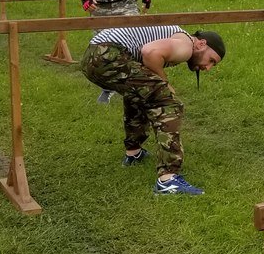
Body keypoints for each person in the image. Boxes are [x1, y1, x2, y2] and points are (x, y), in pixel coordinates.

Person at [80, 23, 226, 195]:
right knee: (168, 103)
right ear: (201, 43)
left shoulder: (176, 37)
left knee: (142, 96)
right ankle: (168, 180)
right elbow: (151, 52)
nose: (207, 68)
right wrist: (165, 83)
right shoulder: (186, 44)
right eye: (211, 60)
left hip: (93, 55)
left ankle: (134, 153)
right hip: (109, 53)